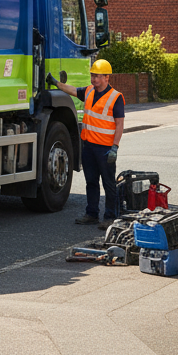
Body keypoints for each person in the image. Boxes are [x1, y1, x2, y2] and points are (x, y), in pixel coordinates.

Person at [46, 59, 124, 230]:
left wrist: (115, 147)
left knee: (108, 183)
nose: (93, 79)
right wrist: (56, 83)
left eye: (97, 76)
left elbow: (119, 124)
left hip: (105, 149)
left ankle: (110, 216)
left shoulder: (115, 97)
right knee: (91, 182)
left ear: (106, 77)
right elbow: (72, 90)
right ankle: (92, 214)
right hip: (88, 146)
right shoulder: (89, 91)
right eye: (92, 75)